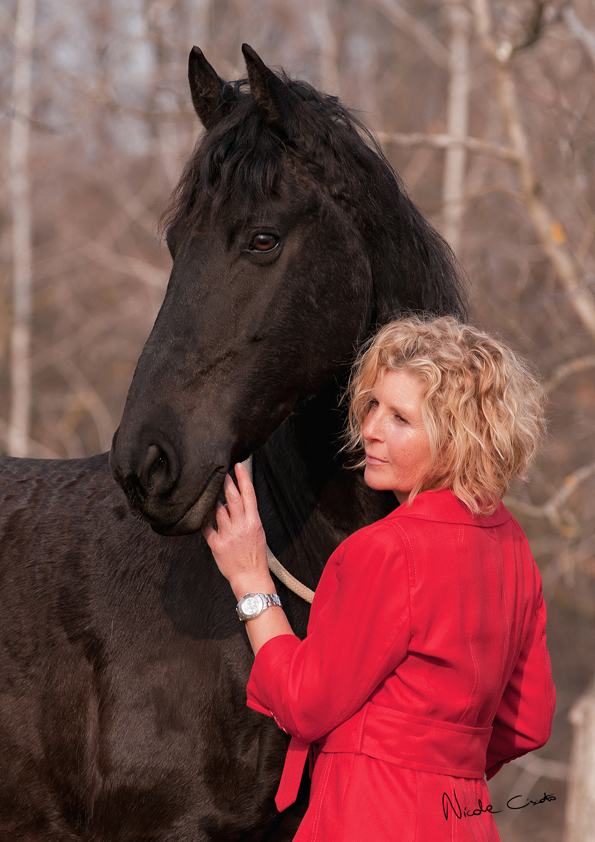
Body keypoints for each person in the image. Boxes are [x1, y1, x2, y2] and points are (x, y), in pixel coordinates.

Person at [202, 315, 556, 842]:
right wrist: (441, 765)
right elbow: (528, 721)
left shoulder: (387, 549)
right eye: (373, 405)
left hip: (367, 815)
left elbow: (303, 704)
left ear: (456, 440)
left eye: (400, 419)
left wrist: (250, 577)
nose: (370, 429)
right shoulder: (514, 547)